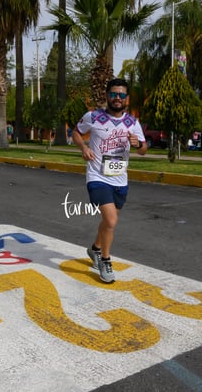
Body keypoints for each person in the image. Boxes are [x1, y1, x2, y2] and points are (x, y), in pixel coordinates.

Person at [72, 78, 147, 283]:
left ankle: (95, 248)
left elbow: (143, 150)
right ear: (107, 95)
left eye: (121, 95)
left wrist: (138, 142)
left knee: (109, 222)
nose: (117, 98)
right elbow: (76, 133)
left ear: (127, 99)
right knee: (112, 220)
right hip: (97, 176)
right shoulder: (94, 117)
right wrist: (84, 148)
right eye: (113, 94)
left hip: (120, 178)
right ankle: (105, 260)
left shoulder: (132, 123)